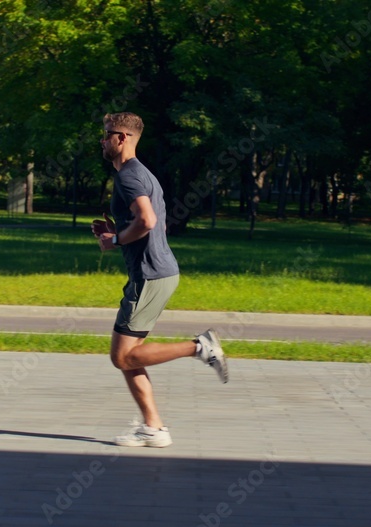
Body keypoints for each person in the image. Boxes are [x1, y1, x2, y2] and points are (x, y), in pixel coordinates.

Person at [92, 112, 228, 448]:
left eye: (106, 134)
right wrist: (118, 230)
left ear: (122, 138)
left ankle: (200, 347)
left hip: (149, 275)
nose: (102, 140)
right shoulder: (142, 174)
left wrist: (115, 240)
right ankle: (153, 427)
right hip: (155, 272)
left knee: (122, 357)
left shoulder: (129, 176)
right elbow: (157, 225)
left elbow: (149, 221)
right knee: (129, 355)